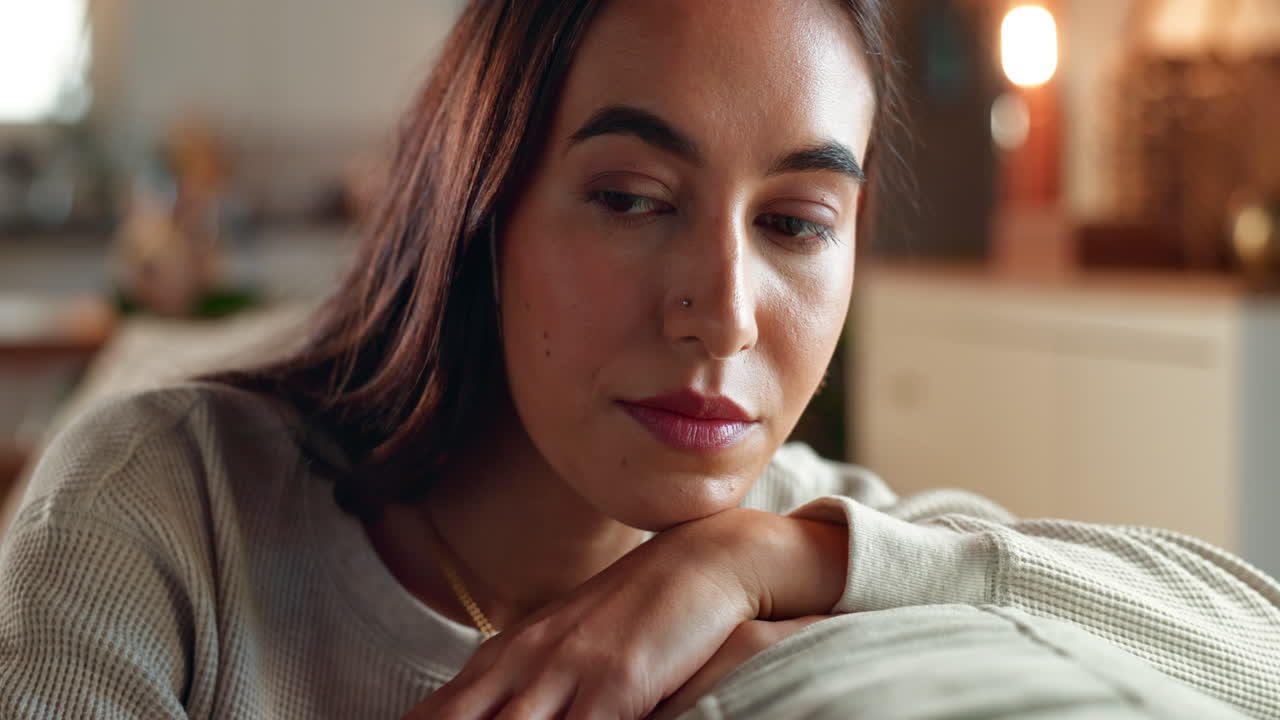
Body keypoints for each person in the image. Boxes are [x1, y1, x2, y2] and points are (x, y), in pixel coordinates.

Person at [2, 1, 1278, 718]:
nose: (722, 315)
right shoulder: (171, 508)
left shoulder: (800, 540)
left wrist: (757, 559)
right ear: (483, 205)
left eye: (792, 223)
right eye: (629, 197)